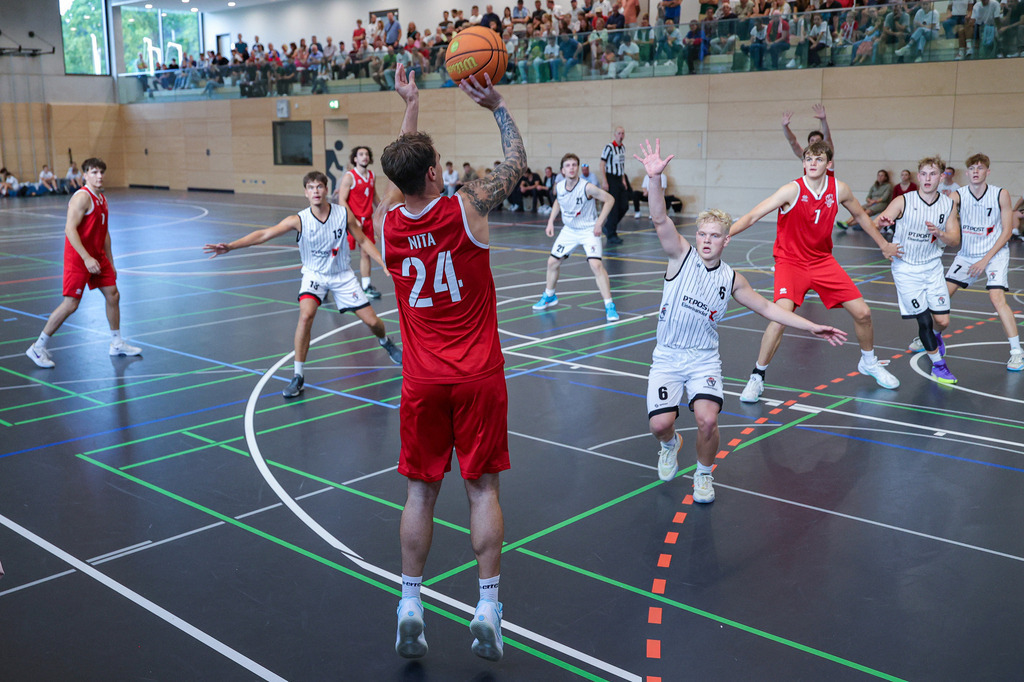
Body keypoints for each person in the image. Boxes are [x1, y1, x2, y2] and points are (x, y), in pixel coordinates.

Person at [378, 64, 526, 663]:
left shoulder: (389, 223)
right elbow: (516, 161)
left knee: (420, 494)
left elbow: (403, 173)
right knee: (482, 486)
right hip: (477, 376)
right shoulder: (467, 208)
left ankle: (410, 601)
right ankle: (487, 605)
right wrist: (496, 106)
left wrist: (409, 106)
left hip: (422, 380)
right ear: (435, 172)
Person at [635, 139, 847, 502]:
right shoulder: (679, 257)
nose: (705, 240)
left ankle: (703, 475)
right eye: (701, 234)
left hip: (703, 359)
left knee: (708, 420)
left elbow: (768, 309)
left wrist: (811, 326)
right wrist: (655, 179)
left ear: (725, 240)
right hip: (668, 356)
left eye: (714, 235)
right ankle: (670, 444)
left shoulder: (732, 279)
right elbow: (659, 218)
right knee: (660, 423)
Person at [203, 171, 401, 398]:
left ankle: (386, 342)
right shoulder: (298, 220)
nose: (316, 191)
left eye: (319, 187)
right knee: (306, 315)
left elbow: (364, 240)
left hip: (342, 275)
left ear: (327, 190)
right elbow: (264, 234)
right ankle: (298, 376)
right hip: (314, 275)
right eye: (311, 187)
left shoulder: (343, 214)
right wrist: (230, 246)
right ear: (305, 193)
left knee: (373, 322)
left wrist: (383, 262)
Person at [731, 141, 900, 401]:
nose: (812, 163)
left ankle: (869, 361)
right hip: (791, 262)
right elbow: (753, 216)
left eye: (818, 159)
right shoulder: (791, 190)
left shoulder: (839, 189)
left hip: (822, 262)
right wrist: (725, 235)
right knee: (779, 317)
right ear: (803, 163)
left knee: (863, 312)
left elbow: (863, 217)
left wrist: (884, 244)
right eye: (808, 159)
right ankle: (757, 376)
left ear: (828, 164)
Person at [26, 158, 142, 368]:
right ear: (85, 175)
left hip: (98, 257)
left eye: (101, 172)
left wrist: (110, 261)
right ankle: (37, 347)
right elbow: (69, 230)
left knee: (113, 294)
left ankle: (116, 343)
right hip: (79, 259)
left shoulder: (102, 198)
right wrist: (86, 258)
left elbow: (104, 232)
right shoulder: (82, 198)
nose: (99, 176)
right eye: (94, 172)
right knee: (71, 304)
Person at [911, 154, 1020, 371]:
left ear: (987, 171)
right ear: (968, 172)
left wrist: (985, 260)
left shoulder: (1001, 194)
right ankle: (933, 336)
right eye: (972, 168)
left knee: (997, 298)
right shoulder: (956, 195)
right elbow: (935, 207)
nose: (976, 171)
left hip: (994, 253)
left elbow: (1007, 231)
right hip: (967, 254)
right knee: (941, 296)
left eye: (980, 168)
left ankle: (1017, 352)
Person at [873, 157, 961, 383]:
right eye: (924, 174)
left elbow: (955, 239)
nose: (928, 178)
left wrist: (940, 234)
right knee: (924, 320)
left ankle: (934, 338)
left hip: (932, 267)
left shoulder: (948, 204)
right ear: (918, 176)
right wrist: (884, 239)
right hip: (906, 268)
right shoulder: (903, 201)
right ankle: (939, 366)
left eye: (933, 174)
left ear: (941, 177)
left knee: (942, 321)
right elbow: (876, 224)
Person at [531, 152, 620, 322]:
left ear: (578, 168)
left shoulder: (587, 187)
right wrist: (550, 222)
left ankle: (609, 305)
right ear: (562, 171)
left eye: (574, 165)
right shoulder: (560, 187)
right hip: (569, 230)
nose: (571, 168)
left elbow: (609, 199)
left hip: (588, 230)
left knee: (596, 265)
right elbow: (558, 201)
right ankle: (549, 295)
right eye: (568, 165)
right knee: (552, 262)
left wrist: (599, 223)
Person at [335, 146, 383, 299]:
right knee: (341, 254)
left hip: (367, 221)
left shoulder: (372, 175)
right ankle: (330, 284)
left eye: (367, 154)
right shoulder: (349, 177)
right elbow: (341, 200)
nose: (364, 157)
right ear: (355, 158)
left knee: (366, 253)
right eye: (361, 154)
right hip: (351, 221)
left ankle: (366, 286)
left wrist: (384, 211)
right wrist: (352, 219)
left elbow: (374, 196)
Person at [599, 126, 628, 244]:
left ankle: (608, 227)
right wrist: (605, 181)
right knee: (614, 207)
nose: (621, 135)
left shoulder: (622, 148)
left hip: (619, 178)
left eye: (622, 133)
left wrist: (623, 180)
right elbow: (602, 164)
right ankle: (611, 234)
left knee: (624, 206)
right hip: (610, 178)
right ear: (615, 135)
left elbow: (621, 165)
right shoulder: (609, 147)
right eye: (619, 133)